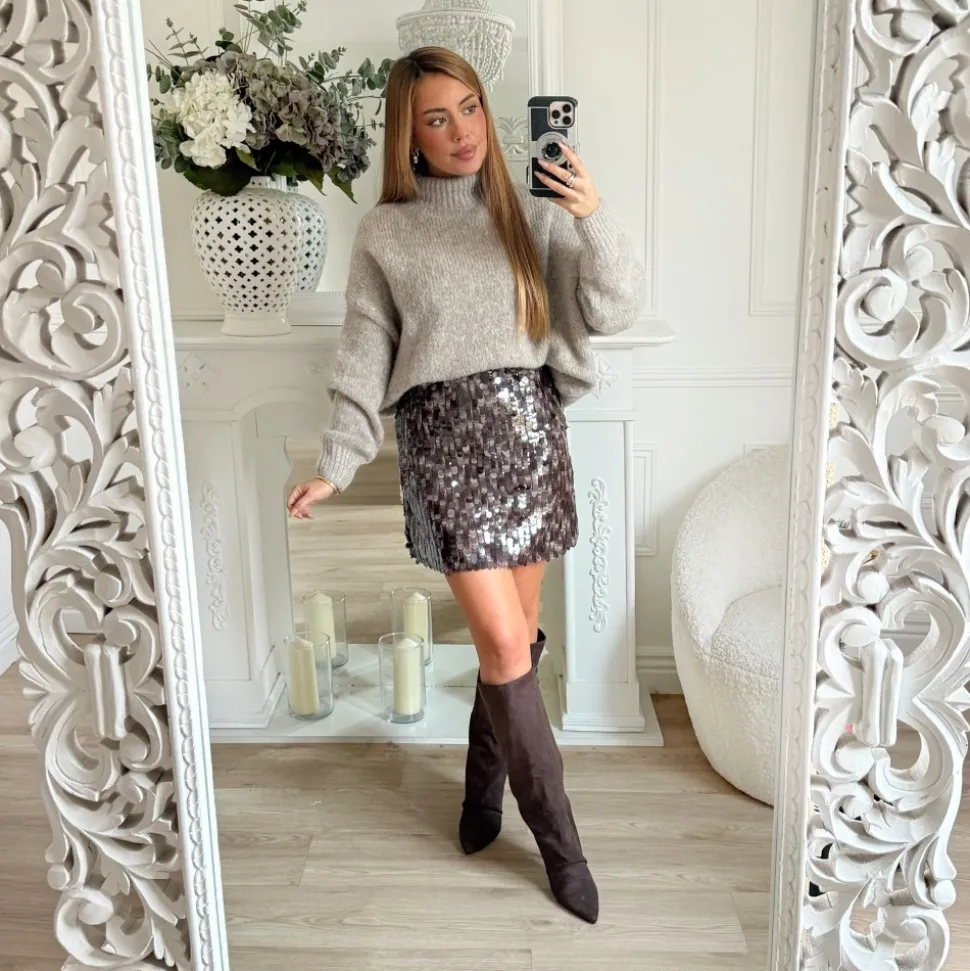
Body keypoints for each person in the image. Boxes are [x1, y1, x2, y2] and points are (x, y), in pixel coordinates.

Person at [286, 45, 645, 924]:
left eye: (471, 109)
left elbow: (614, 307)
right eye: (437, 119)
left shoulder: (534, 208)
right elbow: (364, 348)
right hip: (444, 446)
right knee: (506, 644)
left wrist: (592, 214)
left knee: (512, 638)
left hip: (529, 436)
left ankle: (482, 793)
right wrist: (337, 461)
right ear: (408, 137)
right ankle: (563, 848)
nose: (461, 132)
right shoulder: (388, 232)